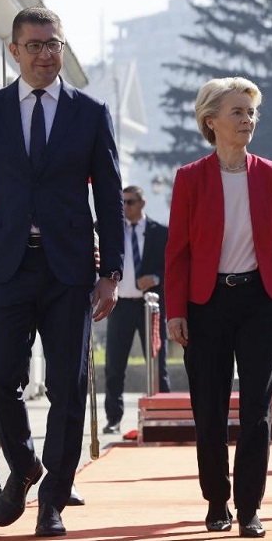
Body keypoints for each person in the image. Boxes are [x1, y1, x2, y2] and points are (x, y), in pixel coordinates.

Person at [0, 7, 124, 537]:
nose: (47, 54)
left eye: (55, 45)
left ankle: (51, 501)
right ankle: (25, 465)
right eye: (37, 45)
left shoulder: (89, 113)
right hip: (5, 266)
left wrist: (111, 271)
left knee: (68, 388)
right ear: (14, 50)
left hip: (69, 270)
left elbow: (110, 198)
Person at [164, 77, 272, 539]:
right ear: (212, 121)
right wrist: (175, 310)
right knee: (209, 408)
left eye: (251, 112)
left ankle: (249, 508)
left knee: (256, 411)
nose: (248, 120)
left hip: (260, 301)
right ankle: (216, 501)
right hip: (205, 304)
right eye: (238, 112)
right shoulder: (190, 178)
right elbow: (178, 252)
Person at [103, 185, 170, 435]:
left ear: (142, 203)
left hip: (149, 307)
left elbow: (173, 267)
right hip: (120, 306)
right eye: (122, 202)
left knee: (157, 363)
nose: (125, 207)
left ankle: (163, 413)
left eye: (130, 202)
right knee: (114, 365)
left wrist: (155, 277)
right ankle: (113, 418)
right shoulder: (109, 231)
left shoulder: (160, 233)